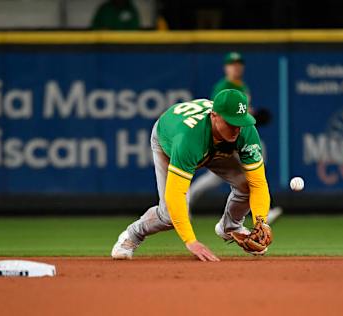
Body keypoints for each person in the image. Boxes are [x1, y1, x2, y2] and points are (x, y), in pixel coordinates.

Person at [111, 89, 271, 262]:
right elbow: (175, 194)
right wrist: (191, 241)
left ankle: (230, 227)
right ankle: (132, 234)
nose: (236, 129)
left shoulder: (245, 130)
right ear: (214, 116)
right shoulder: (188, 138)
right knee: (169, 215)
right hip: (167, 138)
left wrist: (261, 222)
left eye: (240, 122)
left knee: (247, 184)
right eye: (231, 123)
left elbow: (258, 183)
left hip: (213, 146)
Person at [189, 52, 283, 224]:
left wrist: (252, 114)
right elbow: (220, 114)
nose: (236, 67)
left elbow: (241, 113)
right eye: (232, 64)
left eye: (239, 64)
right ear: (226, 67)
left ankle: (261, 212)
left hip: (239, 136)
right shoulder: (223, 86)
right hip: (228, 140)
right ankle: (261, 213)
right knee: (247, 170)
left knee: (229, 176)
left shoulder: (242, 86)